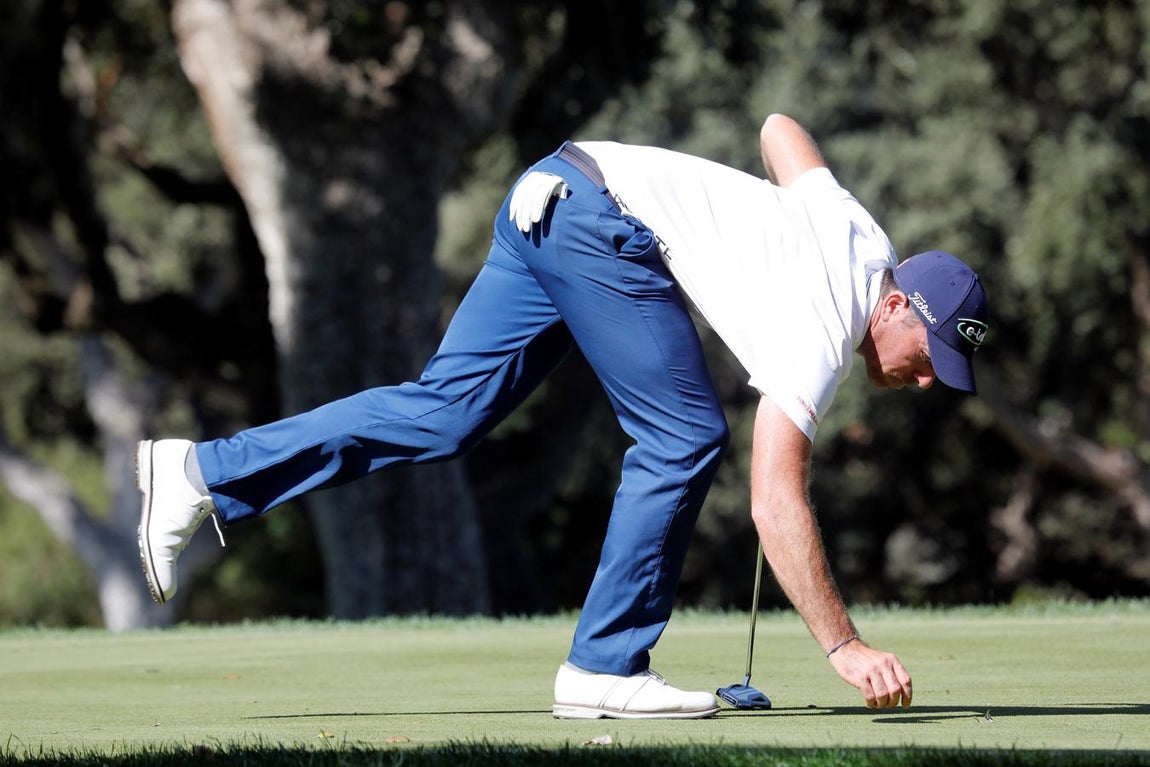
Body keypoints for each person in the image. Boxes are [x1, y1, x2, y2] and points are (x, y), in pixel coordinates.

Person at [137, 113, 988, 720]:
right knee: (685, 436)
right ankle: (603, 664)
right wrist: (844, 647)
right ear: (901, 306)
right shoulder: (823, 321)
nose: (922, 383)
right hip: (598, 219)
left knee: (446, 414)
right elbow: (773, 501)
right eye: (932, 358)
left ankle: (197, 472)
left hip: (552, 185)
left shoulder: (859, 232)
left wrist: (753, 223)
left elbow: (778, 127)